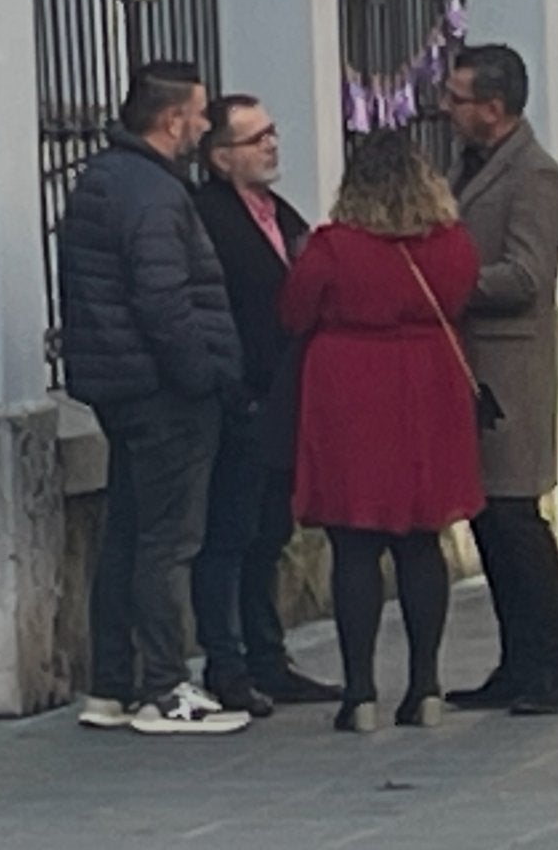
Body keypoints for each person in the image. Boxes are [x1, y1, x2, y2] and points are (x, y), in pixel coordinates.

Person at [57, 61, 248, 735]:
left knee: (128, 536)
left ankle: (111, 684)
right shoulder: (156, 195)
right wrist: (203, 374)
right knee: (169, 541)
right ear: (173, 121)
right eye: (199, 114)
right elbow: (163, 300)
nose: (204, 124)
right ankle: (166, 687)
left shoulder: (104, 178)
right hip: (163, 391)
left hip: (119, 386)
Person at [280, 130, 483, 733]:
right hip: (429, 384)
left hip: (353, 387)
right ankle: (425, 686)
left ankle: (361, 693)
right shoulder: (451, 245)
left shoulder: (334, 246)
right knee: (422, 540)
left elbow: (294, 311)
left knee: (356, 541)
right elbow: (465, 293)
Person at [191, 95, 343, 718]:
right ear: (222, 157)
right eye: (256, 139)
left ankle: (268, 657)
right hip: (241, 397)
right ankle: (226, 664)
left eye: (272, 133)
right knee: (230, 536)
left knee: (269, 535)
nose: (272, 146)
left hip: (287, 399)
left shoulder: (281, 213)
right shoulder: (206, 217)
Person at [439, 44, 558, 716]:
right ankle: (517, 662)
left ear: (493, 109)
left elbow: (527, 275)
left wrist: (447, 282)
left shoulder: (535, 178)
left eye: (457, 98)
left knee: (517, 520)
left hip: (508, 373)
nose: (446, 109)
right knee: (490, 521)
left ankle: (550, 669)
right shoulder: (473, 166)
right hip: (470, 370)